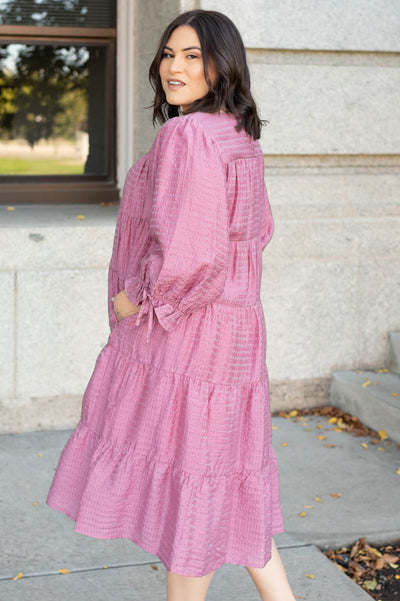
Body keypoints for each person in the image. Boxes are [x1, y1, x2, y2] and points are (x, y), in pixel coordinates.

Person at [46, 9, 297, 601]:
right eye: (168, 54)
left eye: (192, 56)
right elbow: (256, 233)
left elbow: (193, 256)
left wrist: (138, 297)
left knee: (196, 495)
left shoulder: (186, 136)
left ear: (222, 64)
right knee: (222, 478)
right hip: (235, 330)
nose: (175, 68)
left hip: (190, 332)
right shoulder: (236, 133)